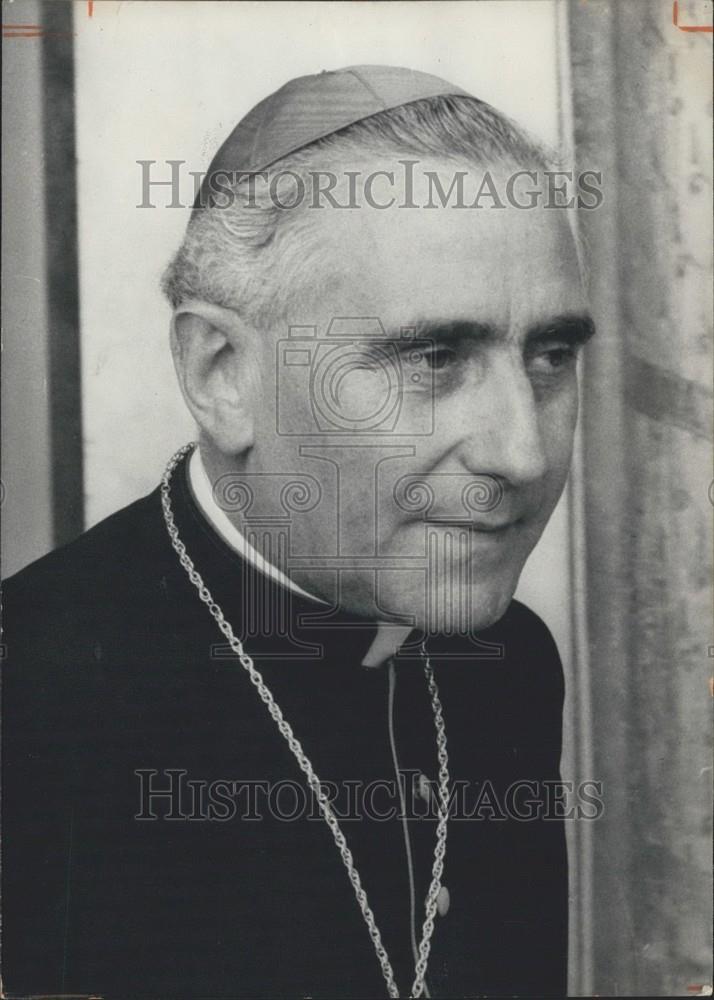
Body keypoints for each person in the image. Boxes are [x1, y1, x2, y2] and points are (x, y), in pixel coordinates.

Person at [2, 65, 594, 998]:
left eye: (551, 356)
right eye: (436, 357)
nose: (523, 453)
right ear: (223, 373)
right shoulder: (25, 693)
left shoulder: (514, 661)